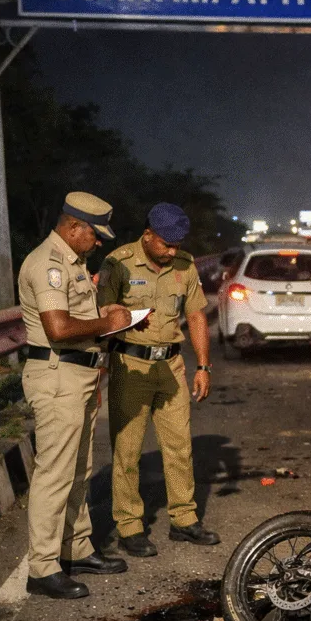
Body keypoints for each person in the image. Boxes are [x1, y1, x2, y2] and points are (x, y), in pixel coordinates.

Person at [18, 193, 131, 599]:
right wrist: (108, 323)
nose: (98, 242)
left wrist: (107, 327)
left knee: (80, 468)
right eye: (94, 234)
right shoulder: (48, 264)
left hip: (80, 374)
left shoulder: (74, 262)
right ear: (72, 227)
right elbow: (59, 329)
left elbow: (79, 321)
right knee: (54, 474)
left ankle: (76, 547)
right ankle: (43, 567)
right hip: (57, 375)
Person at [97, 203, 220, 556]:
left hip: (171, 366)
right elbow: (101, 315)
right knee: (127, 450)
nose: (172, 251)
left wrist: (203, 367)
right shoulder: (117, 263)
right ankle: (130, 526)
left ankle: (184, 519)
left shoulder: (184, 264)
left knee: (180, 446)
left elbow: (196, 316)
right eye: (166, 244)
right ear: (148, 235)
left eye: (177, 245)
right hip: (130, 365)